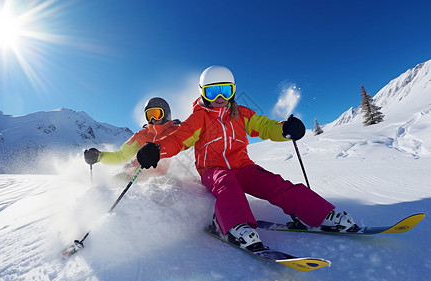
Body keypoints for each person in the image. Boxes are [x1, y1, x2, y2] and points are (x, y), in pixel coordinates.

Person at [136, 66, 358, 251]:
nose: (220, 98)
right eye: (213, 93)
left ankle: (321, 213)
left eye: (225, 90)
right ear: (203, 93)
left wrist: (285, 129)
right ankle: (235, 225)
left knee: (274, 184)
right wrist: (157, 149)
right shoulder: (198, 119)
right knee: (227, 184)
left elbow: (264, 126)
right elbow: (178, 139)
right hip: (213, 170)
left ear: (233, 91)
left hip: (243, 167)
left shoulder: (241, 113)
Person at [84, 97, 180, 178]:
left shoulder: (179, 131)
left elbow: (187, 150)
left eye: (156, 114)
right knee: (105, 187)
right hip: (132, 176)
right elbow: (120, 156)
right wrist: (98, 157)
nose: (153, 119)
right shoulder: (141, 135)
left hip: (163, 180)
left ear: (166, 114)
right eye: (149, 115)